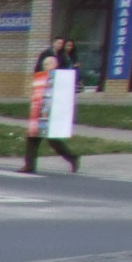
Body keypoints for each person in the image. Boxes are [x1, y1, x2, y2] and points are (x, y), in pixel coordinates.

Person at [25, 36, 82, 174]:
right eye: (44, 65)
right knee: (32, 138)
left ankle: (72, 157)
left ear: (54, 65)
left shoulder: (58, 79)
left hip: (51, 114)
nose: (45, 67)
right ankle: (29, 165)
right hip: (40, 113)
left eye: (48, 65)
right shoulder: (41, 78)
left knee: (52, 140)